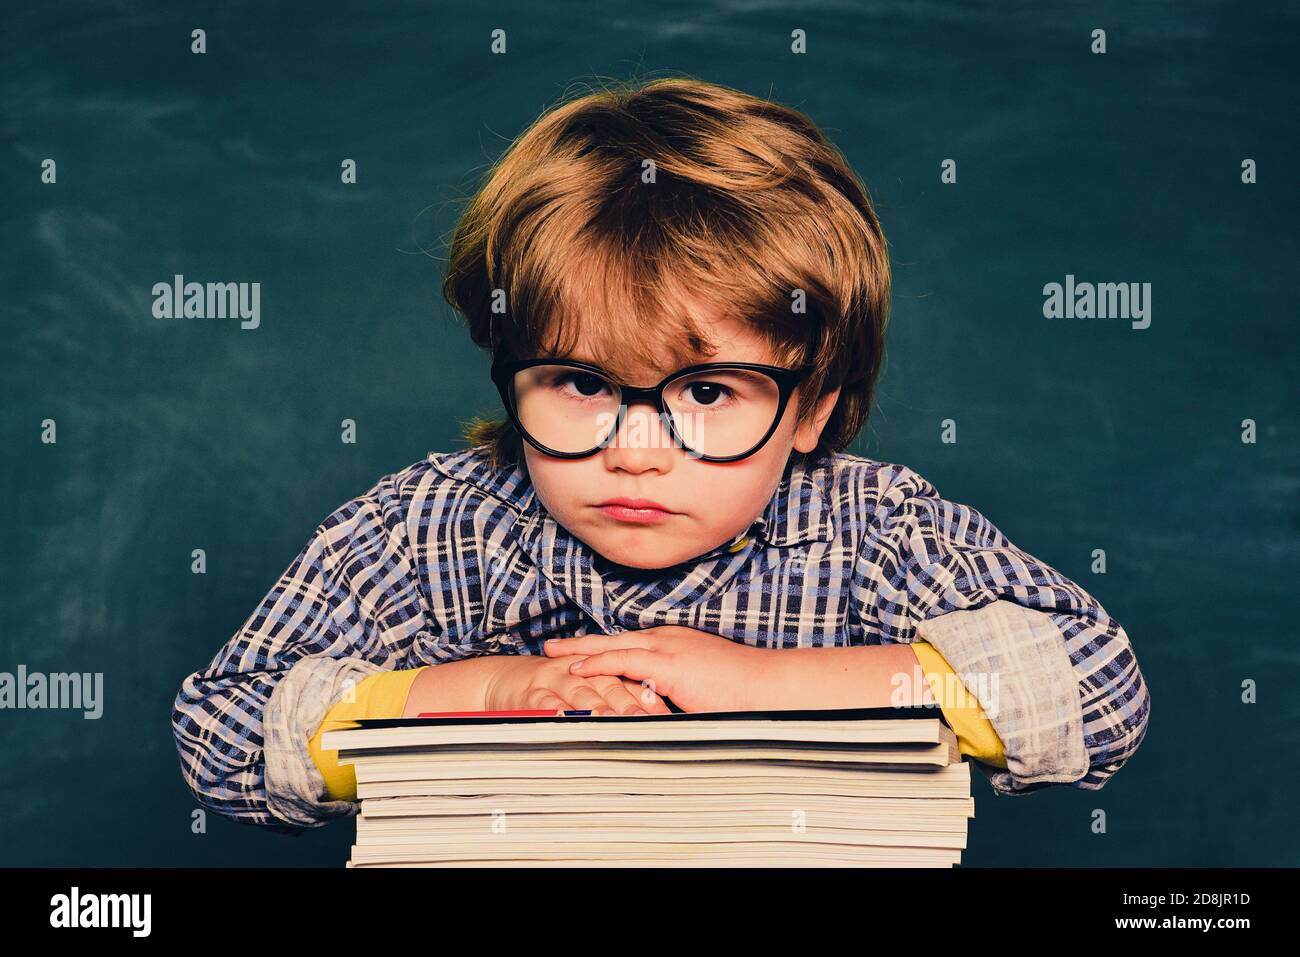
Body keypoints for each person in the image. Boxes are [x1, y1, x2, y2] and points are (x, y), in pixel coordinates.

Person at [171, 77, 1149, 833]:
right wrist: (475, 695)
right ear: (510, 369)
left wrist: (761, 687)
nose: (636, 452)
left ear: (813, 409)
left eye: (709, 392)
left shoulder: (874, 530)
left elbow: (1096, 689)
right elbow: (222, 731)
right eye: (584, 385)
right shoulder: (424, 531)